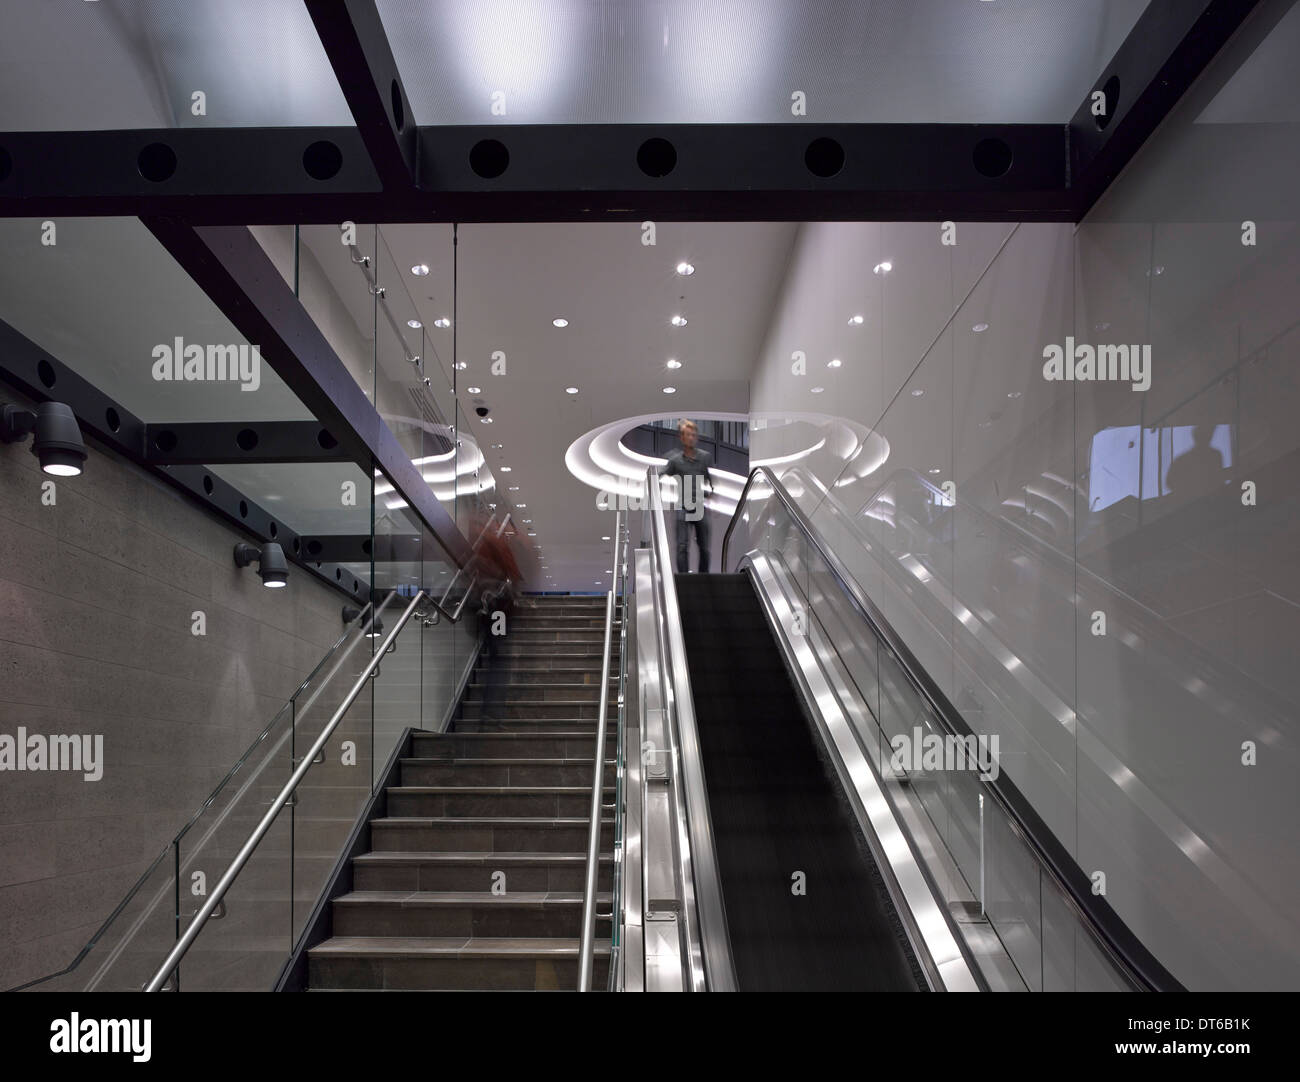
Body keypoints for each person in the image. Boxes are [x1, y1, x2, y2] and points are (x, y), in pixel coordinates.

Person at [662, 418, 714, 573]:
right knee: (681, 546)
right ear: (682, 437)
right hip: (682, 506)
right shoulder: (675, 460)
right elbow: (662, 473)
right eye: (688, 435)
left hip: (699, 506)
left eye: (693, 435)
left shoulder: (704, 457)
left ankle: (703, 577)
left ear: (696, 437)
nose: (691, 438)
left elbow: (710, 480)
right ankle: (684, 578)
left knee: (704, 547)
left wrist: (709, 492)